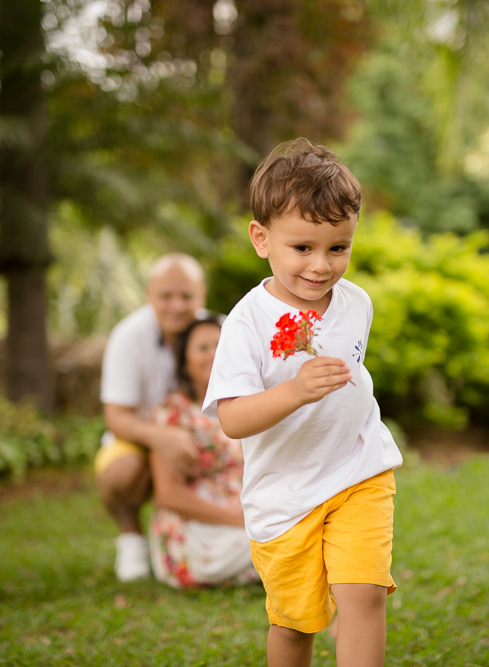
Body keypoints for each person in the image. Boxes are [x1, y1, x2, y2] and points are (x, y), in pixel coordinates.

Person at [202, 138, 403, 667]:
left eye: (338, 248)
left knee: (363, 594)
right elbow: (231, 418)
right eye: (303, 248)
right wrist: (293, 391)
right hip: (284, 499)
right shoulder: (247, 322)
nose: (321, 266)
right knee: (295, 623)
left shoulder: (357, 302)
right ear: (261, 239)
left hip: (359, 472)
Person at [97, 253, 207, 581]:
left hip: (206, 435)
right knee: (122, 472)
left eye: (186, 296)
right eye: (166, 296)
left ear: (201, 295)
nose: (176, 305)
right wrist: (163, 438)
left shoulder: (217, 328)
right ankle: (131, 538)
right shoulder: (128, 336)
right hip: (141, 439)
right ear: (149, 295)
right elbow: (116, 417)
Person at [147, 315, 259, 588]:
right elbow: (168, 494)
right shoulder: (172, 412)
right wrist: (239, 521)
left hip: (249, 516)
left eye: (220, 346)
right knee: (284, 543)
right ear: (184, 362)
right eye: (202, 348)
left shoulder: (250, 403)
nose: (213, 354)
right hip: (200, 529)